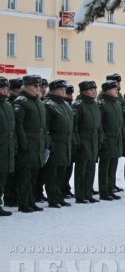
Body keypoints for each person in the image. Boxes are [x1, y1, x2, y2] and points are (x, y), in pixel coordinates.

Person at [13, 75, 47, 213]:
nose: (38, 88)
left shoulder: (38, 101)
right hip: (28, 141)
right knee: (25, 176)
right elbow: (18, 125)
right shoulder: (21, 102)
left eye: (39, 86)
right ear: (26, 86)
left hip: (38, 142)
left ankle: (31, 201)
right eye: (35, 86)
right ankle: (23, 203)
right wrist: (23, 143)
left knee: (34, 175)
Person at [43, 79, 74, 208]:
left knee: (62, 171)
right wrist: (49, 143)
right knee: (52, 172)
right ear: (53, 90)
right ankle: (53, 198)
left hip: (65, 142)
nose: (63, 91)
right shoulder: (48, 104)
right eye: (61, 89)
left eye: (64, 89)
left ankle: (60, 195)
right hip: (55, 142)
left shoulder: (65, 104)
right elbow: (45, 127)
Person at [72, 80, 103, 204]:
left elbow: (99, 125)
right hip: (83, 139)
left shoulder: (94, 105)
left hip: (93, 139)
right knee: (81, 168)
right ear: (84, 91)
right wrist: (77, 141)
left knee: (91, 167)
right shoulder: (78, 105)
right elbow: (74, 126)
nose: (94, 92)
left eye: (94, 89)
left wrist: (100, 138)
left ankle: (88, 192)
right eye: (91, 90)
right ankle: (80, 195)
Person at [98, 80, 125, 201]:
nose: (117, 91)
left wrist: (124, 136)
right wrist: (103, 139)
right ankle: (104, 191)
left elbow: (121, 123)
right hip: (107, 138)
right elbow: (99, 124)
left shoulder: (116, 104)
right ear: (107, 90)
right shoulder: (102, 104)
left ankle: (110, 188)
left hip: (116, 138)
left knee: (113, 165)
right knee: (105, 166)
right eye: (114, 89)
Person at [0, 77, 16, 216]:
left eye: (6, 88)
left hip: (7, 146)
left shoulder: (7, 104)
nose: (4, 90)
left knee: (3, 176)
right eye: (2, 88)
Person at [63, 84, 75, 199]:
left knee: (69, 167)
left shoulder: (68, 105)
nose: (70, 96)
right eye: (68, 93)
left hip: (70, 141)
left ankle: (66, 188)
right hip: (61, 141)